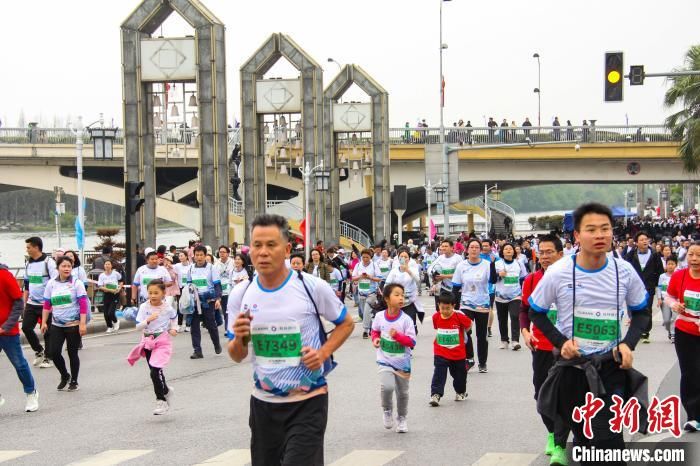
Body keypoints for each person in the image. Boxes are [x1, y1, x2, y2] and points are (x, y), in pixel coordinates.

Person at [227, 214, 354, 466]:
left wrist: (323, 353)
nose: (262, 252)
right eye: (256, 245)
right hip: (263, 404)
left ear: (286, 249)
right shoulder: (241, 294)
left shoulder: (312, 287)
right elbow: (236, 354)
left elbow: (346, 323)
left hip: (308, 402)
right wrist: (240, 338)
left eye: (270, 245)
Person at [528, 203, 649, 461]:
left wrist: (628, 343)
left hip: (611, 366)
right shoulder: (557, 273)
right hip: (574, 367)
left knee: (609, 436)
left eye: (605, 229)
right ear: (577, 236)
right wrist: (561, 342)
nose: (599, 235)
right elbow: (535, 311)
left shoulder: (624, 271)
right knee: (585, 437)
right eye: (591, 229)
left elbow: (642, 312)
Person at [519, 234, 569, 464]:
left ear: (561, 254)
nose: (545, 256)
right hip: (541, 346)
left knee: (565, 396)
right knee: (541, 395)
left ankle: (560, 445)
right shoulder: (531, 279)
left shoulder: (571, 279)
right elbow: (524, 310)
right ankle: (552, 432)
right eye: (542, 252)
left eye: (550, 252)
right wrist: (525, 332)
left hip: (567, 349)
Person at [664, 243, 700, 432]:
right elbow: (668, 296)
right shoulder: (680, 275)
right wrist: (674, 305)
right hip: (685, 331)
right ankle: (694, 416)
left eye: (698, 255)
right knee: (690, 372)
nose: (694, 259)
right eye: (691, 255)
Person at [127, 280, 177, 415]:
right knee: (156, 372)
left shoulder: (167, 308)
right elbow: (138, 326)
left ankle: (161, 401)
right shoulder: (144, 307)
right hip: (148, 342)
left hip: (162, 342)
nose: (153, 295)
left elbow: (174, 317)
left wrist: (174, 329)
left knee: (155, 371)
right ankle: (166, 390)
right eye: (150, 293)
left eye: (156, 293)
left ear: (163, 293)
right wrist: (148, 320)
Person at [371, 283, 416, 433]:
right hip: (384, 359)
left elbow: (411, 342)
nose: (401, 298)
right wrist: (375, 340)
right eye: (396, 295)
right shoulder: (379, 317)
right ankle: (387, 410)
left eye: (402, 295)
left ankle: (402, 418)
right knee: (387, 386)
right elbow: (375, 331)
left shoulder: (406, 320)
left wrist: (398, 336)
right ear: (387, 299)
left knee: (402, 393)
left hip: (403, 363)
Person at [41, 256, 89, 392]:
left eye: (69, 266)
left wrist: (83, 323)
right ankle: (64, 375)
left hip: (73, 324)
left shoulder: (76, 283)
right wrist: (44, 322)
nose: (67, 268)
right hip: (56, 324)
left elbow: (83, 304)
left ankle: (74, 380)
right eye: (64, 266)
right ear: (58, 268)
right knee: (54, 352)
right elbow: (46, 304)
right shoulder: (51, 283)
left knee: (72, 353)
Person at [452, 239, 497, 373]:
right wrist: (454, 306)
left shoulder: (487, 264)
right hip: (466, 303)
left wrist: (493, 265)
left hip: (482, 303)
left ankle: (482, 363)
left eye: (477, 247)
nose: (474, 249)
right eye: (471, 247)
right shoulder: (461, 266)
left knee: (481, 335)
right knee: (465, 332)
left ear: (480, 250)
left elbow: (493, 280)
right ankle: (469, 358)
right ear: (467, 249)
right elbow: (456, 287)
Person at [0, 260, 39, 412]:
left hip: (7, 331)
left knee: (19, 364)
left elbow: (18, 303)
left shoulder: (5, 276)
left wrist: (6, 326)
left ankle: (31, 393)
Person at [429, 291, 472, 407]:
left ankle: (461, 391)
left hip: (457, 354)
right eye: (442, 308)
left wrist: (462, 335)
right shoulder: (436, 317)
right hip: (441, 351)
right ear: (438, 306)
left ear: (453, 306)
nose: (445, 311)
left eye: (448, 308)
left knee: (459, 375)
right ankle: (436, 394)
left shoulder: (459, 316)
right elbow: (436, 327)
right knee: (439, 372)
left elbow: (469, 324)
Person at [22, 236, 57, 369]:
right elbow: (26, 284)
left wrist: (53, 303)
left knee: (47, 331)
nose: (27, 250)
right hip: (32, 302)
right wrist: (24, 303)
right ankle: (39, 351)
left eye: (28, 247)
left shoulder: (49, 263)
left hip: (46, 304)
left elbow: (55, 283)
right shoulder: (28, 263)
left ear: (36, 247)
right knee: (26, 327)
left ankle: (49, 358)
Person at [625, 231, 664, 343]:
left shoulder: (655, 255)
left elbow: (660, 272)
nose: (645, 241)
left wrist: (659, 288)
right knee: (635, 309)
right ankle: (635, 331)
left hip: (649, 287)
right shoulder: (631, 255)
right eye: (641, 240)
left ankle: (646, 332)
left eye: (646, 239)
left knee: (647, 309)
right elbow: (626, 271)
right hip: (634, 288)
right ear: (636, 243)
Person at [186, 245, 223, 359]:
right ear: (194, 256)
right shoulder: (191, 268)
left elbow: (217, 285)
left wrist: (218, 299)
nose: (199, 257)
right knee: (194, 326)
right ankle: (197, 351)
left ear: (205, 255)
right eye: (197, 255)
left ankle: (216, 344)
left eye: (201, 255)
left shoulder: (212, 268)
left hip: (208, 301)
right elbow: (188, 285)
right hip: (194, 301)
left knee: (211, 325)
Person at [495, 243, 527, 350]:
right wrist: (499, 275)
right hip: (500, 295)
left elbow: (523, 278)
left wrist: (524, 292)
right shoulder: (498, 263)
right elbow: (492, 279)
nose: (508, 250)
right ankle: (504, 340)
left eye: (510, 249)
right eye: (506, 249)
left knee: (515, 316)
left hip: (515, 295)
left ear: (514, 251)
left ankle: (515, 341)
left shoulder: (519, 263)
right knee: (502, 319)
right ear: (502, 252)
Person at [385, 249, 423, 334]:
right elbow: (387, 284)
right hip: (396, 303)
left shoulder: (413, 269)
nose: (403, 258)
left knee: (410, 324)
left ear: (409, 259)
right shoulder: (394, 271)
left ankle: (412, 332)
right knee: (398, 325)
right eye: (401, 256)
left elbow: (417, 280)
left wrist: (408, 270)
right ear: (398, 259)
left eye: (406, 257)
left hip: (409, 302)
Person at [352, 249, 382, 338]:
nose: (365, 259)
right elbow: (353, 278)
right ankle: (373, 327)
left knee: (366, 311)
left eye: (367, 257)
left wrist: (370, 277)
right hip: (361, 293)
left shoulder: (374, 265)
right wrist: (360, 276)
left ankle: (365, 330)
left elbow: (379, 278)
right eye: (363, 257)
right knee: (364, 313)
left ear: (370, 257)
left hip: (371, 293)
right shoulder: (358, 265)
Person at [97, 259, 123, 334]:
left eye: (108, 264)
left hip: (115, 295)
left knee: (111, 312)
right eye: (106, 264)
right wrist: (108, 289)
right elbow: (100, 286)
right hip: (107, 295)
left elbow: (121, 281)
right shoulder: (102, 275)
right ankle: (110, 327)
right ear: (104, 266)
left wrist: (119, 288)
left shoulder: (116, 274)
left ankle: (116, 321)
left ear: (111, 266)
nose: (107, 266)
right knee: (105, 313)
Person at [657, 255, 677, 343]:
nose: (670, 266)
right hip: (664, 300)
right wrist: (659, 298)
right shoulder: (662, 276)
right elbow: (659, 288)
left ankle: (673, 334)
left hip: (675, 300)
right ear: (666, 265)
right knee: (667, 318)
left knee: (674, 317)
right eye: (669, 264)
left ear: (676, 265)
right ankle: (670, 331)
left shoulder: (678, 275)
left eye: (672, 264)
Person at [214, 246, 235, 331]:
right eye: (220, 252)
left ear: (228, 253)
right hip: (221, 290)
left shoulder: (233, 262)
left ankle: (228, 328)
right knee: (224, 309)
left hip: (231, 289)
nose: (221, 254)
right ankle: (228, 328)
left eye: (223, 252)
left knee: (229, 309)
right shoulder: (216, 264)